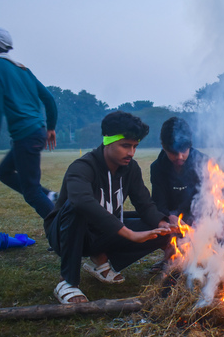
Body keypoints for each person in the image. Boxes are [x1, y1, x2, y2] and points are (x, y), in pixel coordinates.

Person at [45, 111, 175, 304]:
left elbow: (145, 204)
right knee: (77, 208)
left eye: (134, 146)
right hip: (67, 233)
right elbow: (81, 201)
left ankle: (101, 260)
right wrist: (129, 233)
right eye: (125, 146)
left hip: (102, 233)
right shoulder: (82, 167)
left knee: (161, 230)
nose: (131, 152)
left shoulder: (131, 169)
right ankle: (68, 282)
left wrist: (164, 223)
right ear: (107, 141)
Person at [0, 27, 58, 219]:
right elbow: (49, 99)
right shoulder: (22, 69)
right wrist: (51, 127)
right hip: (36, 131)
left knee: (31, 192)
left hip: (26, 135)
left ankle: (64, 232)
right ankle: (51, 195)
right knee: (4, 172)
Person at [149, 117, 208, 272]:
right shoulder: (157, 168)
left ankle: (206, 256)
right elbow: (158, 202)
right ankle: (172, 257)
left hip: (200, 218)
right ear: (163, 146)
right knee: (152, 220)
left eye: (184, 151)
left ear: (190, 145)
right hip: (173, 220)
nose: (180, 157)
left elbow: (214, 199)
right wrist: (169, 216)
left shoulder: (204, 163)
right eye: (173, 153)